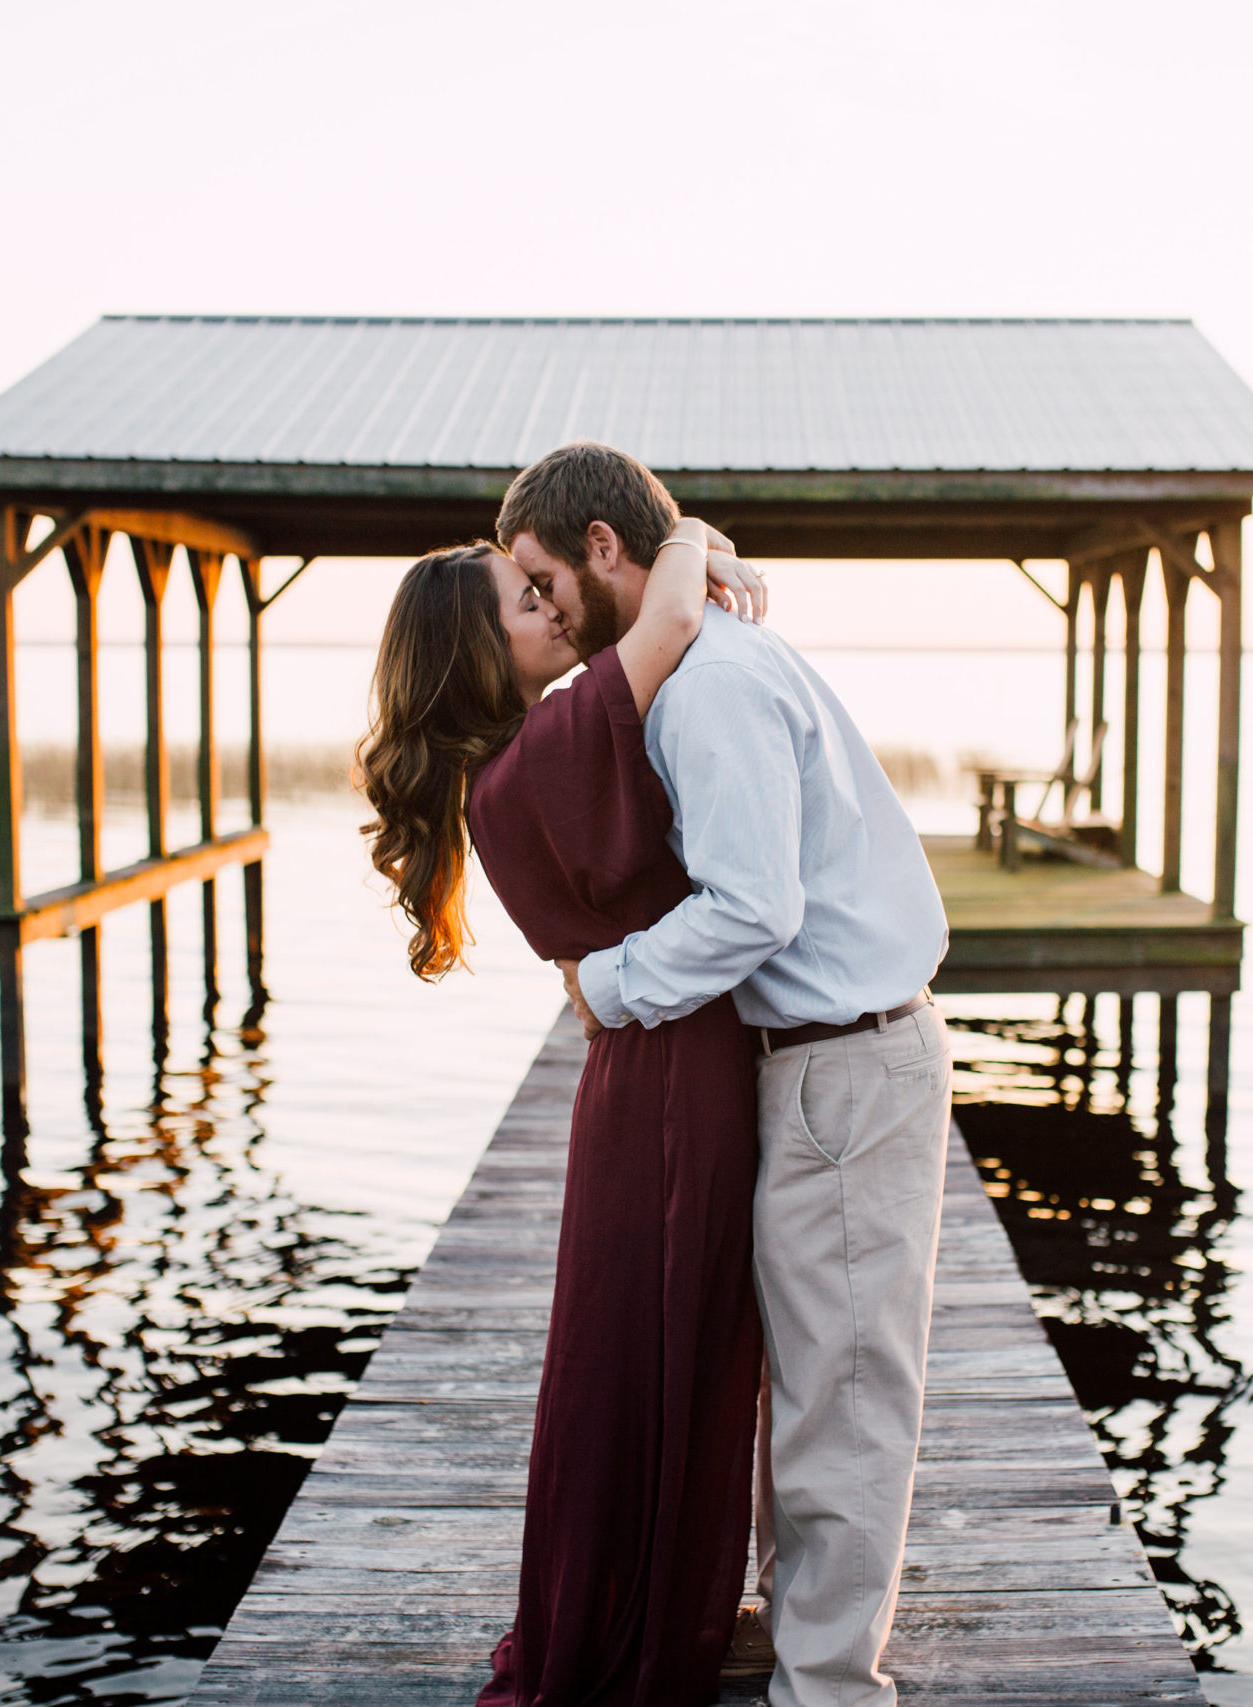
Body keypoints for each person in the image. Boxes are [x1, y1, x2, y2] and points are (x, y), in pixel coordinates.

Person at [498, 443, 952, 1707]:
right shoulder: (696, 665)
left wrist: (608, 985)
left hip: (847, 1068)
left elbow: (754, 908)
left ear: (602, 550)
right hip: (813, 1065)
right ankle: (789, 1626)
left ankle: (828, 1688)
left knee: (845, 1399)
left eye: (541, 578)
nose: (537, 608)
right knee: (804, 1377)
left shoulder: (707, 691)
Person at [357, 509, 771, 1706]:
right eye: (520, 600)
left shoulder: (516, 765)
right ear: (472, 654)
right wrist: (687, 530)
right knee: (659, 1353)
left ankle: (631, 1603)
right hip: (676, 1082)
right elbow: (676, 609)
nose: (549, 606)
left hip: (642, 1075)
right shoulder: (553, 747)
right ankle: (633, 1625)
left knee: (630, 1357)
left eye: (540, 588)